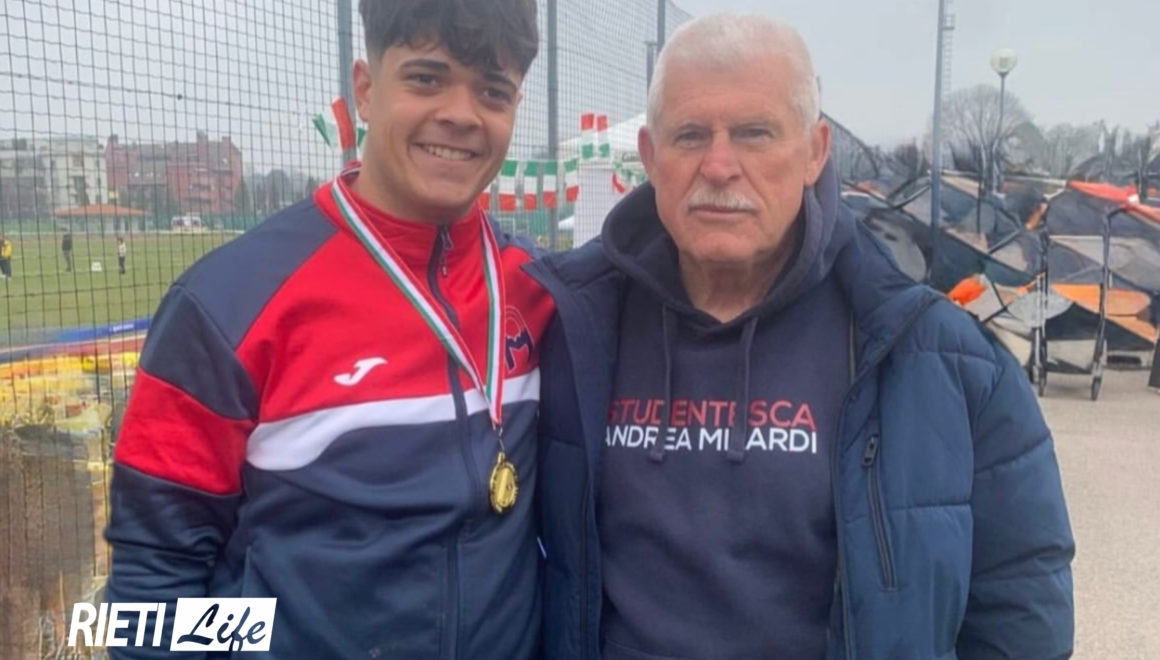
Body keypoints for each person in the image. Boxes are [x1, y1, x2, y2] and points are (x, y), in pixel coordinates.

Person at [529, 14, 1075, 660]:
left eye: (755, 134)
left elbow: (1021, 612)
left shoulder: (939, 359)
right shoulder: (567, 328)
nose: (719, 165)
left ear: (816, 152)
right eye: (690, 135)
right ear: (651, 157)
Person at [104, 1, 551, 657]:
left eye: (492, 91)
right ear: (365, 89)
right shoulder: (228, 302)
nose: (461, 112)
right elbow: (150, 584)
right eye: (427, 78)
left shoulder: (539, 288)